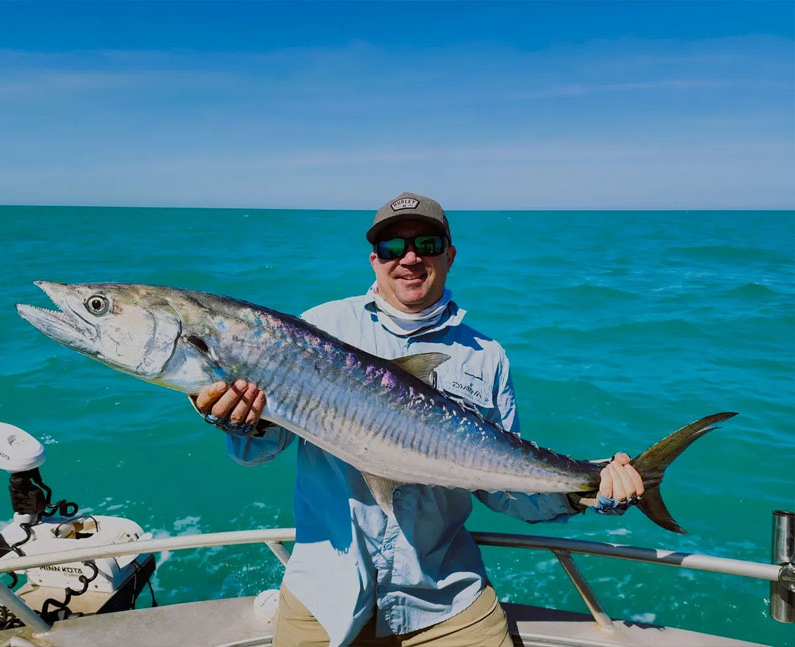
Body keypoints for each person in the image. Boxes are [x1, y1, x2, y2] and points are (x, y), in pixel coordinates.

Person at [192, 192, 644, 647]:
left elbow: (505, 489)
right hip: (324, 596)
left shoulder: (485, 356)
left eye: (425, 244)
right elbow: (256, 453)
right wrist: (242, 421)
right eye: (392, 248)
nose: (409, 258)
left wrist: (588, 490)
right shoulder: (317, 329)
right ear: (374, 260)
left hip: (445, 598)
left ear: (449, 256)